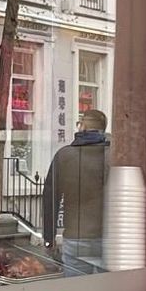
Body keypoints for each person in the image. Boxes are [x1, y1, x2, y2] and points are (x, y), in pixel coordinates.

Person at [42, 109, 109, 269]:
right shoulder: (114, 155)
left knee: (77, 283)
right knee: (107, 284)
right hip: (108, 236)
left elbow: (51, 198)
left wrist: (49, 238)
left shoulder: (64, 156)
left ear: (82, 126)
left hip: (76, 235)